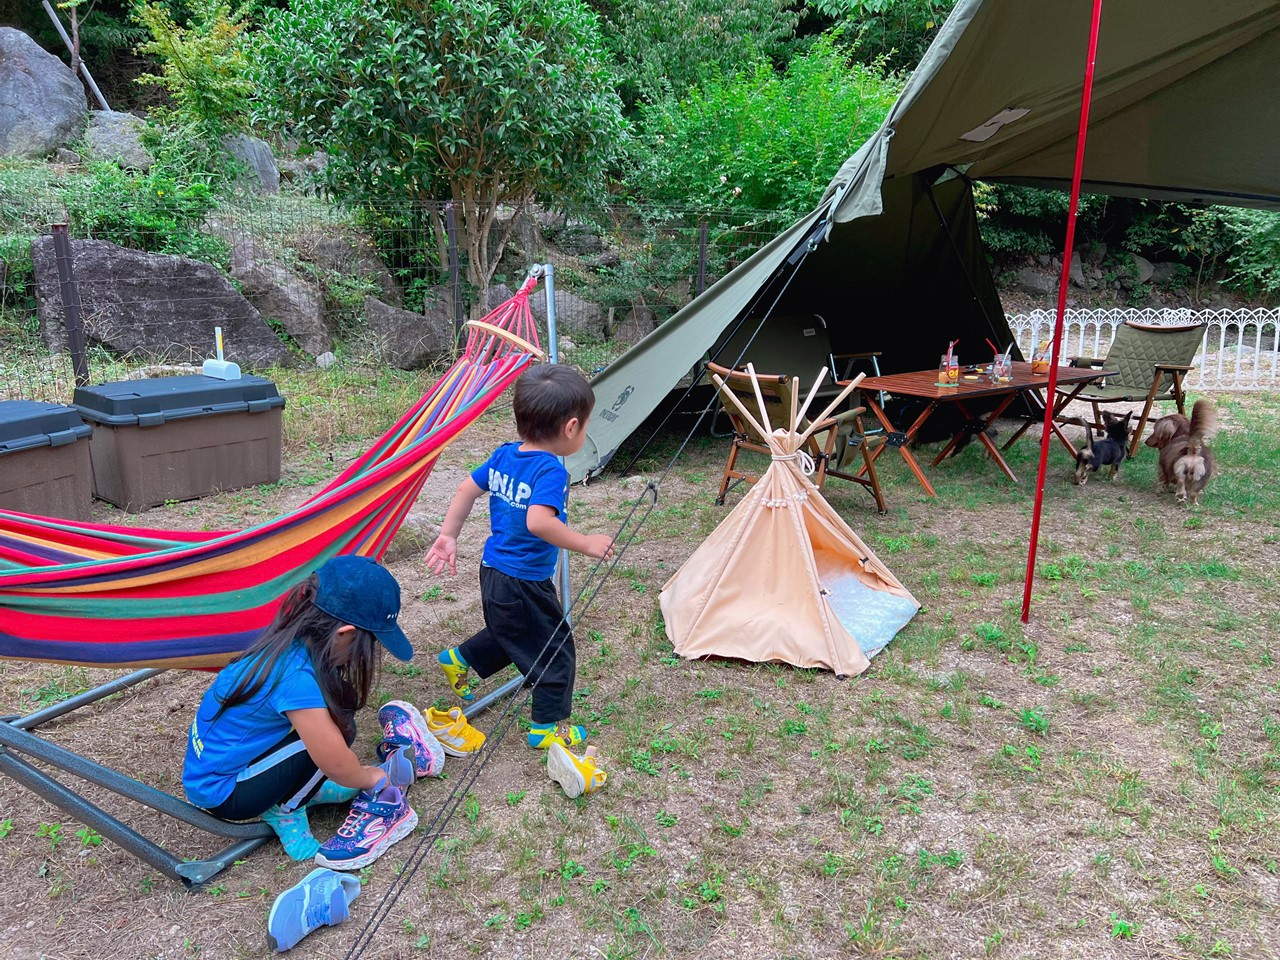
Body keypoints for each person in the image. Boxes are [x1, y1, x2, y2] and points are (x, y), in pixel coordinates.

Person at [183, 555, 442, 869]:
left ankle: (306, 790)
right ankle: (285, 808)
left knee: (331, 727)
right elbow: (331, 758)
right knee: (324, 742)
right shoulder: (295, 680)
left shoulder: (288, 643)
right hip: (226, 791)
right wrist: (367, 776)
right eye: (370, 642)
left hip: (227, 769)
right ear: (345, 633)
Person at [426, 364, 614, 755]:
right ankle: (545, 728)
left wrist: (448, 535)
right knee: (554, 649)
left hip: (494, 571)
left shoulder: (504, 455)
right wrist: (585, 542)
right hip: (523, 580)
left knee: (514, 630)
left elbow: (465, 488)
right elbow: (539, 522)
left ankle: (460, 659)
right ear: (571, 427)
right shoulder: (550, 469)